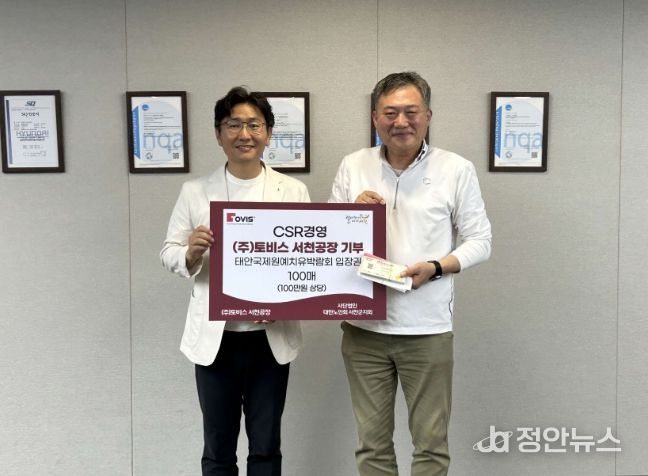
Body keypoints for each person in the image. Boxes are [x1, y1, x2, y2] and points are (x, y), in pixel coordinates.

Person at [329, 72, 492, 476]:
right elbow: (329, 240)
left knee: (431, 446)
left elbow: (480, 241)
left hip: (427, 329)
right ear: (375, 118)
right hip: (364, 328)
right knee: (372, 446)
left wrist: (436, 268)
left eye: (410, 112)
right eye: (390, 113)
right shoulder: (353, 165)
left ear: (428, 116)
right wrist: (350, 212)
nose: (400, 121)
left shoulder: (456, 168)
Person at [160, 86, 309, 476]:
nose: (245, 134)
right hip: (216, 339)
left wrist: (288, 301)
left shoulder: (293, 190)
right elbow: (168, 252)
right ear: (218, 133)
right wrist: (190, 253)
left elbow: (306, 260)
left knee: (266, 447)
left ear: (268, 133)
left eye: (254, 125)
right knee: (218, 448)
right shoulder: (194, 191)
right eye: (233, 125)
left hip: (269, 339)